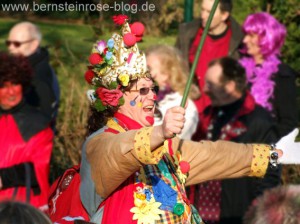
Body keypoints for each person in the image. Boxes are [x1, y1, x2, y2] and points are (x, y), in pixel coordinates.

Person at [48, 15, 300, 224]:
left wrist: (275, 154)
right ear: (115, 98)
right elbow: (119, 153)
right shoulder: (98, 145)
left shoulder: (165, 150)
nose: (152, 97)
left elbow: (215, 154)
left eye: (153, 89)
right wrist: (160, 132)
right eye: (143, 91)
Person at [191, 57, 281, 224]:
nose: (205, 89)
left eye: (210, 84)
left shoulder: (259, 120)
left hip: (239, 213)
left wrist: (257, 210)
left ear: (230, 86)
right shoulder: (208, 115)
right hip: (202, 213)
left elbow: (272, 168)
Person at [0, 52, 53, 211]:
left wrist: (3, 177)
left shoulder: (38, 124)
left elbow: (38, 171)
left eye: (15, 84)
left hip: (23, 208)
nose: (11, 92)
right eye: (3, 85)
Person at [175, 0, 243, 113]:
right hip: (191, 109)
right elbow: (175, 66)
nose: (203, 15)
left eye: (209, 12)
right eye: (202, 10)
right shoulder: (188, 33)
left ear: (224, 15)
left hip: (223, 111)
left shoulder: (238, 40)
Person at [239, 12, 298, 138]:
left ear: (266, 38)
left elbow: (288, 123)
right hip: (235, 147)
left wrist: (267, 147)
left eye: (250, 35)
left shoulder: (282, 75)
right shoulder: (238, 70)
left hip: (264, 150)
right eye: (245, 35)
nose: (245, 40)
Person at [6, 21, 60, 130]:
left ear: (34, 44)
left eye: (17, 44)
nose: (10, 48)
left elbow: (41, 120)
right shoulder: (24, 68)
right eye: (8, 43)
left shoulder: (38, 77)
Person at [146, 45, 200, 140]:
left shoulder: (185, 107)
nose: (142, 72)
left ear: (167, 73)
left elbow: (172, 143)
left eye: (148, 69)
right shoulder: (143, 96)